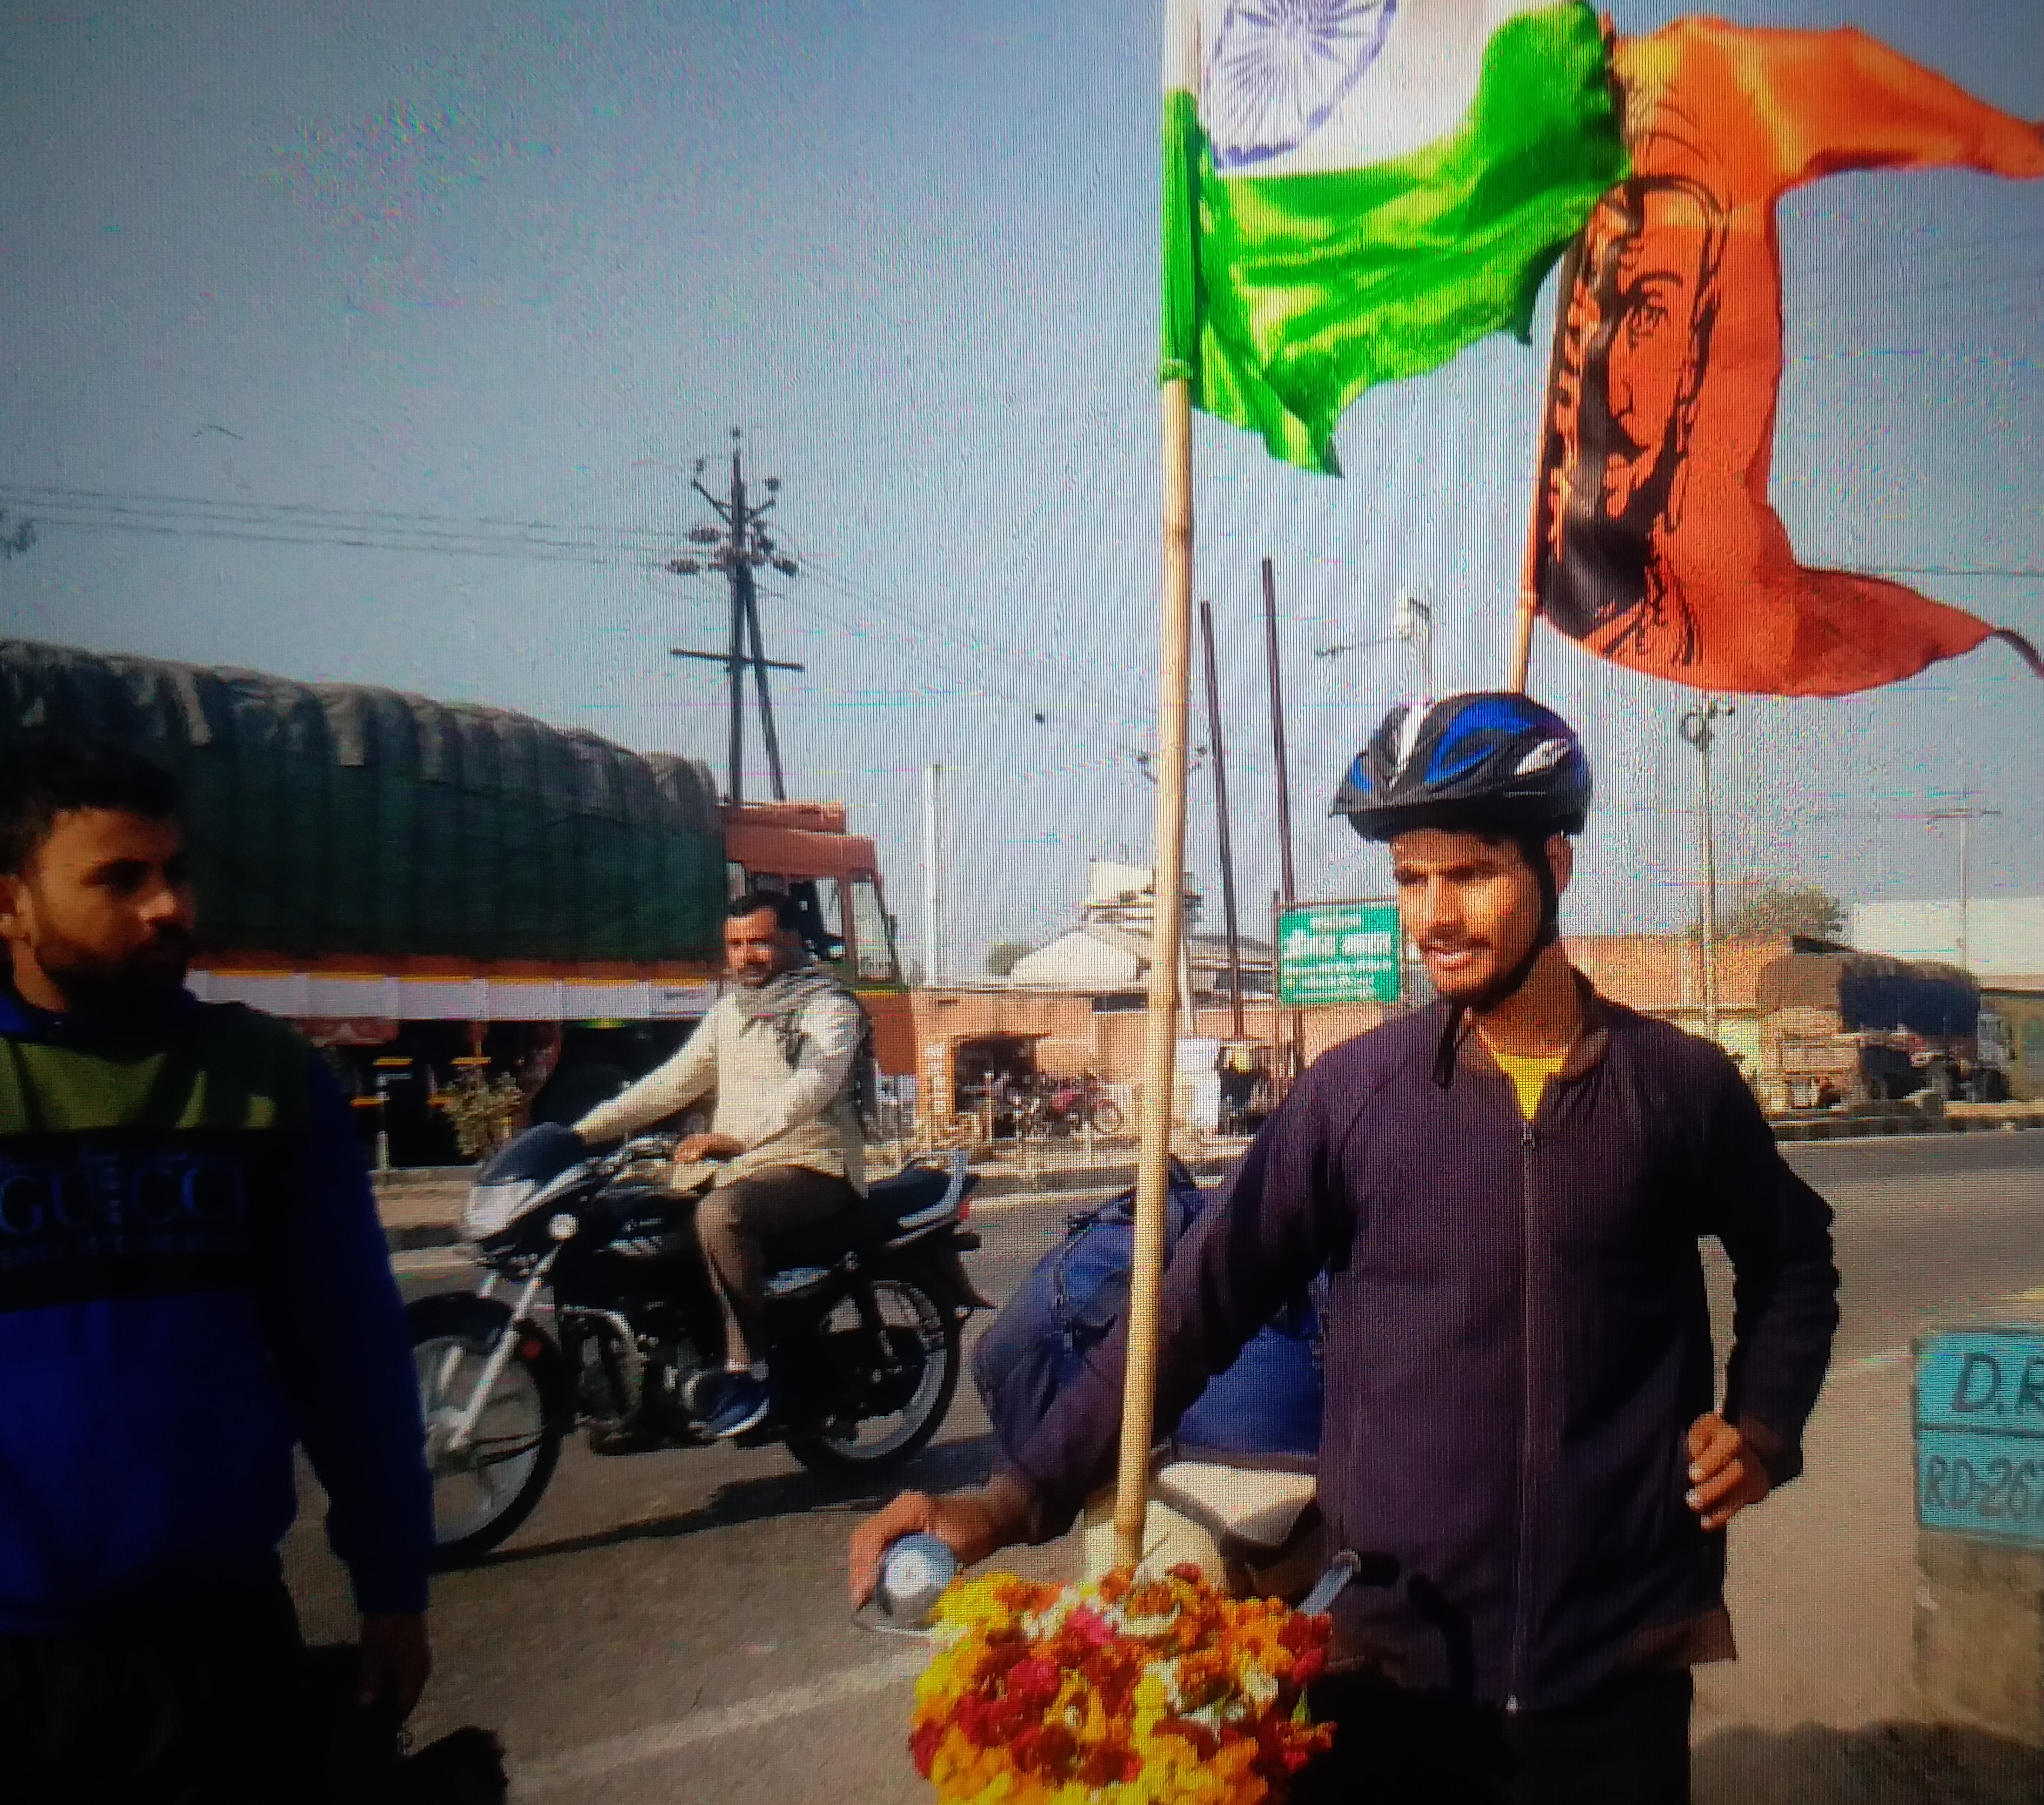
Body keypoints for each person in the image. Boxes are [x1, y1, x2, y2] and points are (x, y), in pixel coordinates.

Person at [850, 692, 1840, 1805]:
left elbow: (1793, 1257)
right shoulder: (1353, 1101)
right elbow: (1189, 1311)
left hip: (1617, 1668)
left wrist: (1761, 1426)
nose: (1433, 916)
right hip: (1391, 1671)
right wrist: (1005, 1502)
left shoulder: (1675, 1089)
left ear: (1554, 866)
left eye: (1468, 872)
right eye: (1409, 879)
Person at [0, 732, 434, 1799]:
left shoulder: (260, 1080)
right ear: (11, 901)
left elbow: (351, 1360)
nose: (166, 907)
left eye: (175, 873)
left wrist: (392, 1586)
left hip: (221, 1648)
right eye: (119, 878)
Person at [574, 888, 869, 1440]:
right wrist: (578, 1134)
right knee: (630, 1223)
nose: (745, 956)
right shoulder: (731, 1010)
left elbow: (814, 1084)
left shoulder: (828, 1005)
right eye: (735, 945)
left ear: (792, 941)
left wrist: (735, 1137)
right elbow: (673, 1082)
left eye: (759, 942)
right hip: (737, 1163)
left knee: (722, 1216)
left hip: (813, 1163)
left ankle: (749, 1370)